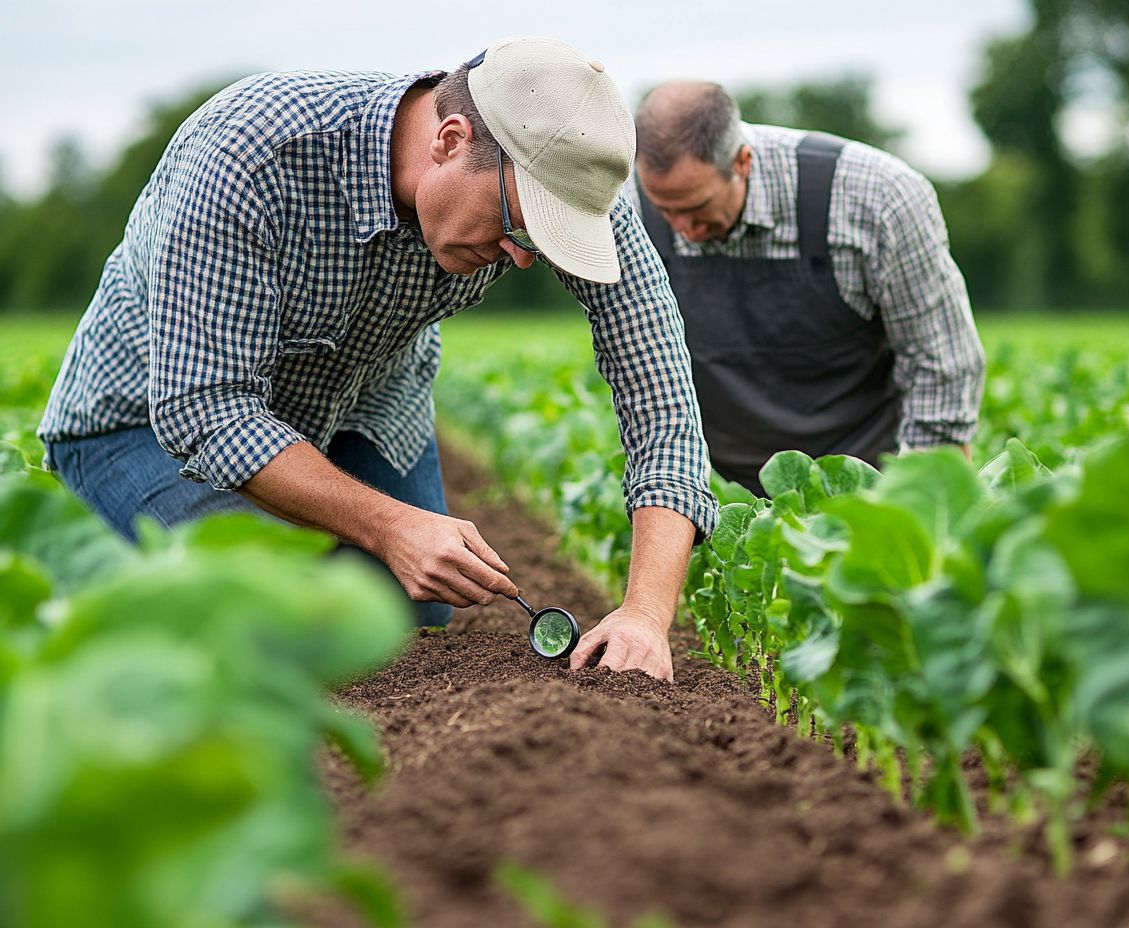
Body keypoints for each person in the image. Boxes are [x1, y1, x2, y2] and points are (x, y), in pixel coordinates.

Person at [38, 38, 717, 681]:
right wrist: (391, 526)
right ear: (451, 142)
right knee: (278, 629)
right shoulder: (249, 152)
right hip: (143, 425)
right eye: (516, 228)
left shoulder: (566, 189)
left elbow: (661, 396)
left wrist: (646, 615)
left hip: (365, 404)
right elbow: (206, 409)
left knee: (407, 624)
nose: (521, 257)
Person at [632, 81, 985, 495]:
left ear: (743, 163)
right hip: (720, 492)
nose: (683, 231)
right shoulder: (628, 202)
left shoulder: (878, 198)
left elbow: (939, 365)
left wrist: (910, 505)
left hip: (865, 484)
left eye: (696, 209)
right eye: (665, 210)